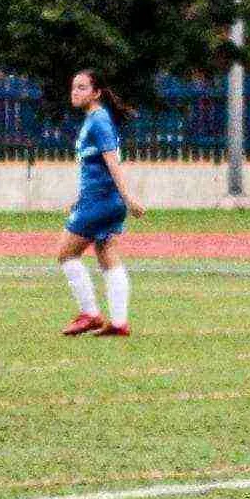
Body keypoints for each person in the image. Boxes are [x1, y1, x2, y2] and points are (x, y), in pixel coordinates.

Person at [57, 69, 147, 338]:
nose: (75, 92)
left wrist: (128, 196)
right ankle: (118, 323)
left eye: (82, 87)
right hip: (103, 200)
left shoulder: (98, 121)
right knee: (106, 253)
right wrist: (79, 197)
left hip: (100, 202)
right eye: (74, 87)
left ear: (96, 93)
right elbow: (96, 166)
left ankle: (90, 314)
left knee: (66, 254)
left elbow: (111, 161)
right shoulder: (95, 119)